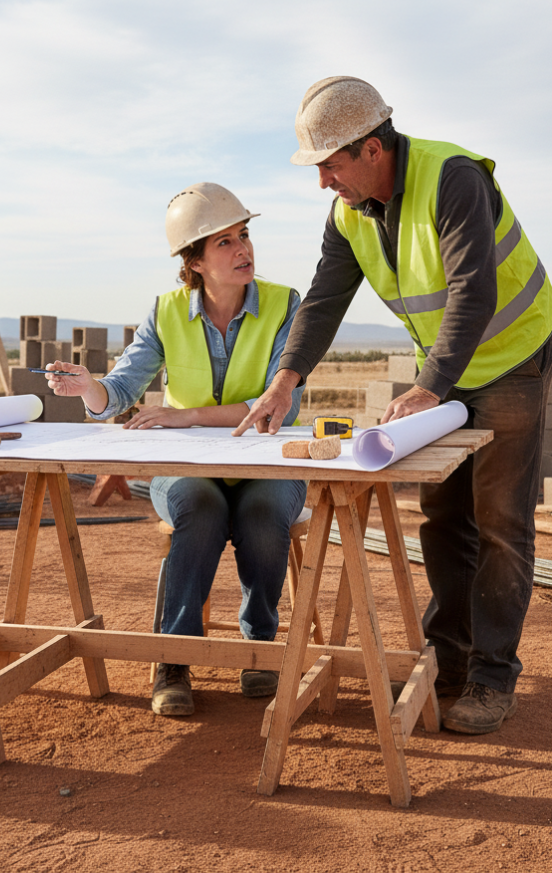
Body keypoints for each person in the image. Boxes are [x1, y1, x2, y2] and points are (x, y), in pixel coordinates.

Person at [234, 76, 552, 735]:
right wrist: (285, 380)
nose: (323, 181)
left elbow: (473, 291)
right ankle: (449, 660)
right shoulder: (348, 213)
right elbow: (324, 300)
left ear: (373, 148)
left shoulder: (453, 179)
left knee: (501, 523)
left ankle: (493, 676)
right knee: (443, 515)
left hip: (513, 360)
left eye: (330, 164)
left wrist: (428, 386)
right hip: (446, 372)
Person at [46, 182, 306, 717]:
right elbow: (119, 391)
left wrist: (185, 415)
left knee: (263, 512)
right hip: (186, 469)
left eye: (244, 235)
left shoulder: (286, 304)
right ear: (194, 262)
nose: (243, 249)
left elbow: (280, 404)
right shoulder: (165, 312)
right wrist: (88, 387)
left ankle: (260, 646)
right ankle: (173, 658)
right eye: (225, 242)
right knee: (200, 506)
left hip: (266, 465)